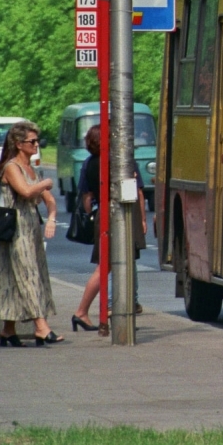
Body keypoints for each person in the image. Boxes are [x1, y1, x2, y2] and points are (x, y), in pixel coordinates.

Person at [71, 125, 146, 333]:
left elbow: (86, 199)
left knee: (109, 264)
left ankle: (113, 309)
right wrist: (141, 220)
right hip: (122, 213)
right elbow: (136, 191)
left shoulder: (89, 163)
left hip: (103, 213)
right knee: (111, 265)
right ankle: (86, 311)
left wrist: (94, 211)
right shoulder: (122, 162)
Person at [0, 122, 62, 346]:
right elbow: (25, 191)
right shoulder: (12, 167)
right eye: (31, 141)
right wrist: (45, 184)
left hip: (31, 227)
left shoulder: (34, 169)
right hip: (16, 228)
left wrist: (51, 218)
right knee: (27, 275)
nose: (36, 145)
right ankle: (41, 327)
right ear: (18, 144)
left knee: (21, 277)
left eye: (37, 141)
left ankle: (8, 331)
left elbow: (50, 201)